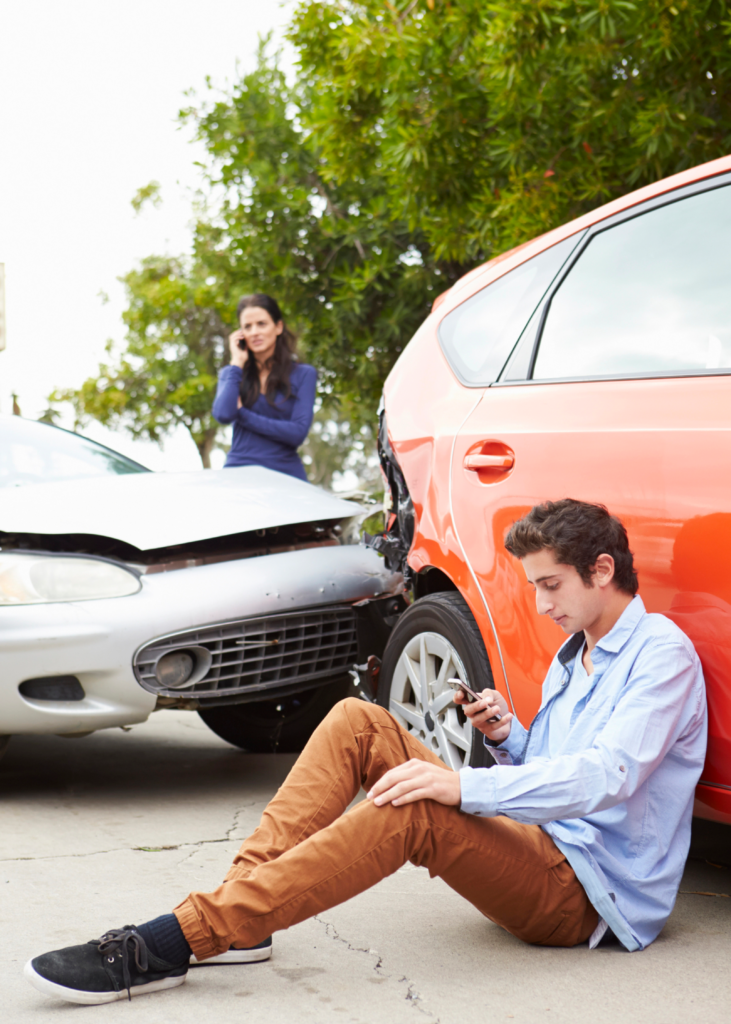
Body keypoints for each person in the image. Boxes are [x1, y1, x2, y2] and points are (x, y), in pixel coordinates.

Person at [25, 500, 707, 1005]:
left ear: (602, 569)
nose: (539, 604)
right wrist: (506, 740)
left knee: (414, 806)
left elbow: (608, 779)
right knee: (358, 718)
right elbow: (549, 772)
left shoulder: (661, 658)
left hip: (584, 896)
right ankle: (242, 921)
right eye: (533, 587)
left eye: (549, 585)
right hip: (538, 843)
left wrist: (459, 788)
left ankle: (175, 940)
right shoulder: (574, 653)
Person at [212, 293, 317, 481]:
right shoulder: (232, 374)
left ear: (278, 327)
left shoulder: (303, 374)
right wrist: (237, 362)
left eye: (261, 324)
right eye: (247, 327)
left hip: (286, 476)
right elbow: (223, 414)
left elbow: (297, 433)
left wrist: (242, 413)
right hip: (239, 474)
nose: (254, 332)